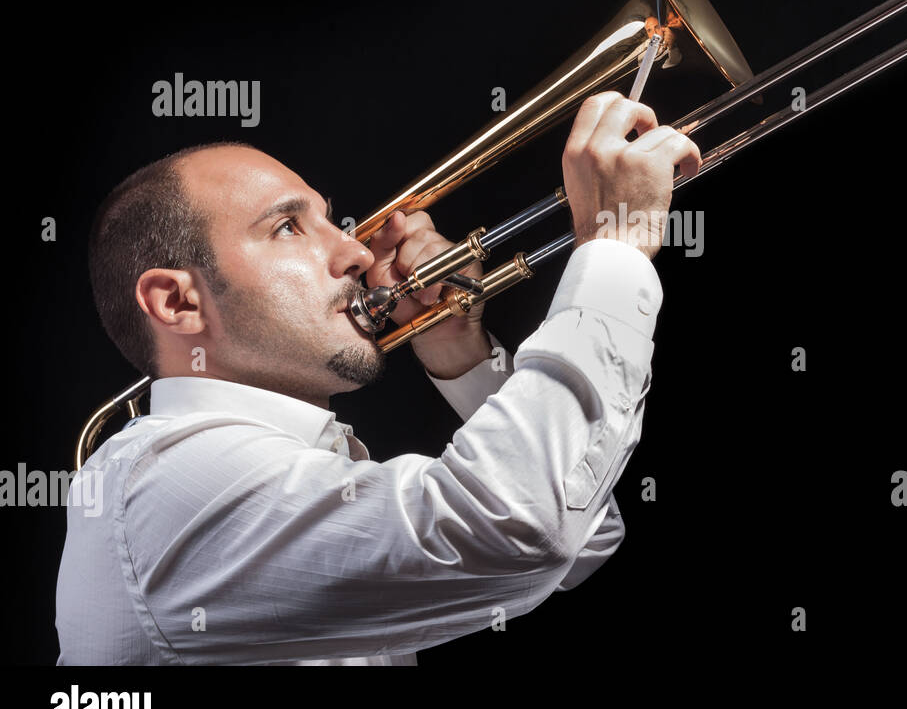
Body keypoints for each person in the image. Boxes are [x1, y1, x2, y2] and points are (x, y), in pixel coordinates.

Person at [55, 90, 701, 665]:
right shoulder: (167, 477)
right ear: (178, 303)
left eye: (326, 218)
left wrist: (461, 350)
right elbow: (520, 528)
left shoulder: (265, 460)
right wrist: (613, 245)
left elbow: (586, 529)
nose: (358, 252)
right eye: (286, 228)